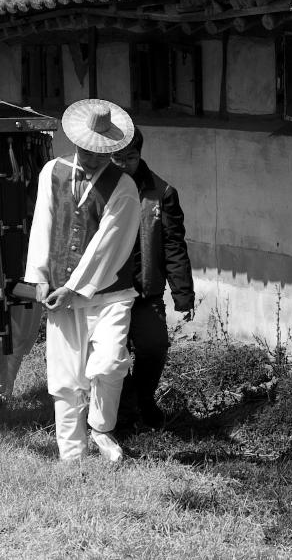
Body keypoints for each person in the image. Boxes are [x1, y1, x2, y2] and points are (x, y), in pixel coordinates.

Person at [25, 98, 140, 465]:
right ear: (76, 142)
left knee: (107, 364)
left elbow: (109, 245)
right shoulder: (52, 172)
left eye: (98, 152)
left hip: (109, 293)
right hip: (60, 292)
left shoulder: (123, 187)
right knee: (65, 378)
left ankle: (101, 427)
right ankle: (71, 456)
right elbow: (41, 226)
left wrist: (74, 287)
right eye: (85, 150)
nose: (90, 158)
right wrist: (40, 278)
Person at [111, 127, 194, 434]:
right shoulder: (99, 188)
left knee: (154, 346)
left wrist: (182, 293)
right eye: (116, 157)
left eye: (130, 157)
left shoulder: (162, 192)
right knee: (111, 355)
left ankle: (142, 400)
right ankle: (120, 413)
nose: (123, 164)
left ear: (140, 155)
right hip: (107, 292)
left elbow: (174, 245)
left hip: (146, 292)